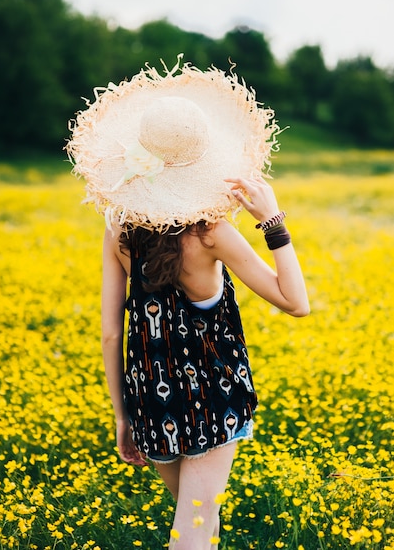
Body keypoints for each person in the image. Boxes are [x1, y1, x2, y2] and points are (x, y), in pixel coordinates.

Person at [66, 57, 309, 550]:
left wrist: (123, 415)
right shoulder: (212, 233)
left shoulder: (118, 229)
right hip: (213, 404)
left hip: (148, 404)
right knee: (193, 535)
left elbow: (111, 332)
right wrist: (273, 222)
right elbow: (296, 302)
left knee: (198, 524)